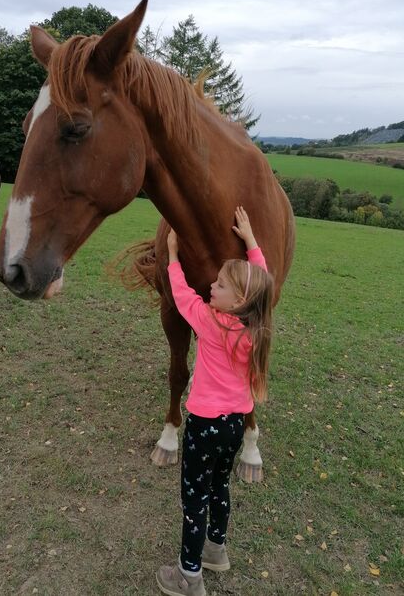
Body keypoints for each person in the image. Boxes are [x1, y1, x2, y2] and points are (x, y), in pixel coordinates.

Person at [156, 206, 274, 596]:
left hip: (204, 425)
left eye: (220, 285)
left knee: (195, 500)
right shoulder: (256, 328)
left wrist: (172, 255)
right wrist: (252, 242)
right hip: (235, 426)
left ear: (238, 298)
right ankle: (216, 550)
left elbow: (181, 293)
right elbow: (265, 282)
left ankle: (189, 576)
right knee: (220, 486)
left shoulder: (208, 322)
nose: (211, 286)